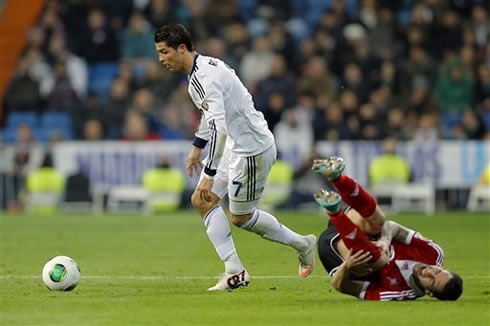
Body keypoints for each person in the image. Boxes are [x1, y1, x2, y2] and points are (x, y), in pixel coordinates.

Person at [154, 23, 316, 291]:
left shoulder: (203, 78)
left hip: (251, 150)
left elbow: (221, 127)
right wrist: (197, 145)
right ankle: (235, 271)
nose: (161, 59)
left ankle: (302, 243)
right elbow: (213, 116)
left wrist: (209, 175)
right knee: (201, 201)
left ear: (181, 48)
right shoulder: (203, 67)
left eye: (164, 52)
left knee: (240, 217)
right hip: (234, 147)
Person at [312, 156, 463, 301]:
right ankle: (336, 178)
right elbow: (392, 226)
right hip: (359, 228)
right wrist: (385, 241)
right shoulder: (433, 253)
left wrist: (347, 266)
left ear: (429, 292)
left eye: (431, 280)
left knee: (378, 261)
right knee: (380, 222)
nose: (429, 271)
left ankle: (334, 212)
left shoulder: (396, 292)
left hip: (337, 251)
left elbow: (341, 286)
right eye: (436, 270)